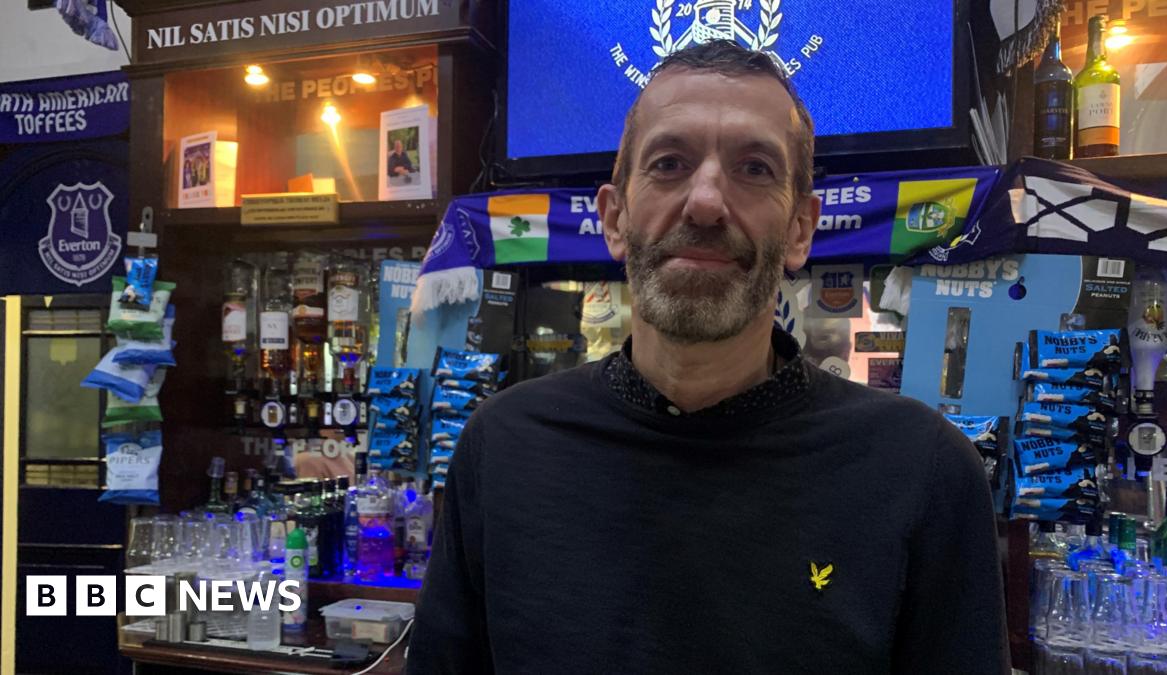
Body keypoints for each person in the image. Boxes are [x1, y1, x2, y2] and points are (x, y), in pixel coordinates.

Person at [407, 40, 1009, 673]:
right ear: (615, 219)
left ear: (801, 228)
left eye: (755, 169)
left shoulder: (925, 472)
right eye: (669, 163)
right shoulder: (501, 447)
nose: (705, 203)